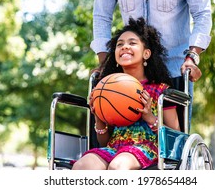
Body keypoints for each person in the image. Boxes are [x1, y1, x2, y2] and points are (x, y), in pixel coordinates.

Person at [72, 17, 180, 170]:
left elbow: (176, 137)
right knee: (82, 166)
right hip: (114, 148)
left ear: (146, 53)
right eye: (119, 44)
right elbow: (104, 142)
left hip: (147, 148)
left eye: (132, 43)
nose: (124, 47)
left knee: (117, 167)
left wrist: (150, 117)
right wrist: (98, 117)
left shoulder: (160, 91)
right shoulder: (107, 89)